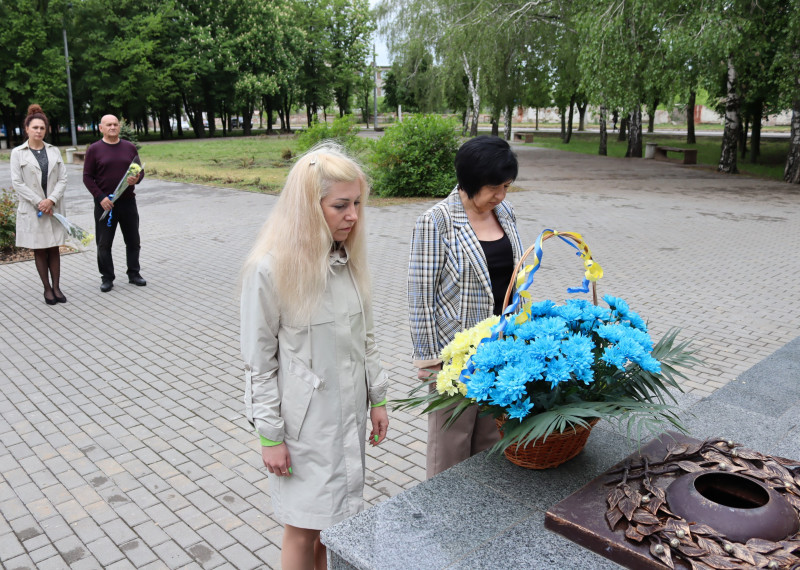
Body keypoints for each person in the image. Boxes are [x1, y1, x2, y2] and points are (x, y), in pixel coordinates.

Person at [240, 143, 389, 570]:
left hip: (347, 419)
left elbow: (367, 339)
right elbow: (258, 364)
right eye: (340, 205)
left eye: (357, 203)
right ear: (308, 207)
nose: (353, 215)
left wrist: (378, 398)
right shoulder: (269, 269)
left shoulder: (347, 260)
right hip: (303, 429)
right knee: (303, 530)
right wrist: (270, 436)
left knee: (332, 527)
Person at [407, 135, 524, 478]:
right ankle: (442, 507)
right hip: (455, 353)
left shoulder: (505, 213)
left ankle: (481, 502)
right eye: (494, 187)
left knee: (491, 436)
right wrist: (429, 359)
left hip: (500, 347)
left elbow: (515, 275)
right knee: (451, 443)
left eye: (506, 186)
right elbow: (420, 296)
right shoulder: (436, 221)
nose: (501, 195)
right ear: (471, 181)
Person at [10, 104, 69, 305]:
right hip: (33, 209)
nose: (38, 131)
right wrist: (39, 202)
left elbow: (63, 179)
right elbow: (17, 183)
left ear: (46, 130)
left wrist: (51, 200)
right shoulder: (18, 153)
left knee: (54, 247)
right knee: (40, 249)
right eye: (35, 127)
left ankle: (57, 287)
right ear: (27, 129)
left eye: (42, 128)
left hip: (53, 208)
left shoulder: (54, 151)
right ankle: (47, 289)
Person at [83, 115, 145, 292]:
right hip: (105, 204)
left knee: (133, 240)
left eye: (115, 124)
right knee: (104, 243)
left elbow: (139, 171)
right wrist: (100, 197)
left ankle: (134, 273)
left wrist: (137, 178)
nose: (112, 127)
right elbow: (87, 177)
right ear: (101, 128)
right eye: (108, 124)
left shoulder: (129, 147)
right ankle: (107, 278)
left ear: (119, 127)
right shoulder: (94, 149)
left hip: (128, 202)